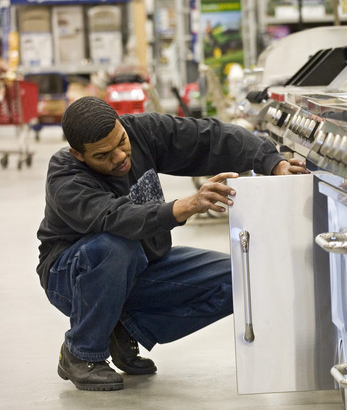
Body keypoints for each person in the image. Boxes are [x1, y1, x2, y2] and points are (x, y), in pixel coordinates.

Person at [36, 96, 308, 391]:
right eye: (103, 155)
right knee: (115, 245)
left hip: (141, 263)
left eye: (121, 142)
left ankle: (121, 323)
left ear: (121, 124)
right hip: (71, 276)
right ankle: (81, 352)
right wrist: (187, 205)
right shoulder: (66, 177)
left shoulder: (142, 131)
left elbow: (210, 137)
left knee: (245, 278)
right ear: (78, 154)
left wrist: (273, 162)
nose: (119, 157)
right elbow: (117, 218)